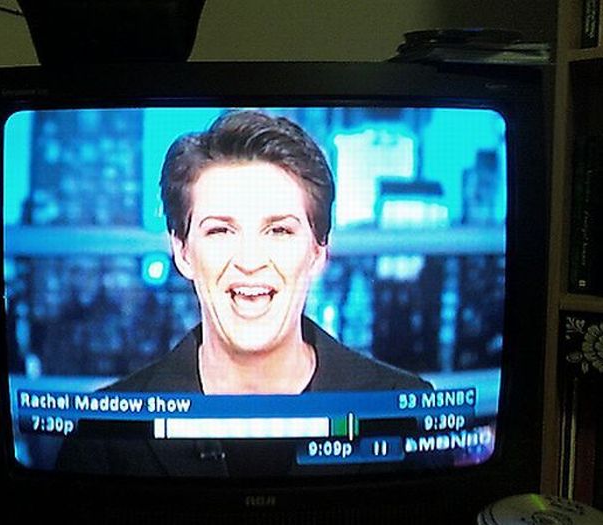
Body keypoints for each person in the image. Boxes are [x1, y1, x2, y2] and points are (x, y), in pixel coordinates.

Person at [56, 110, 431, 476]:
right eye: (220, 231)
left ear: (318, 252)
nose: (250, 261)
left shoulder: (403, 411)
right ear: (182, 251)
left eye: (279, 231)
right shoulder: (104, 435)